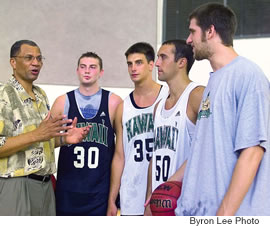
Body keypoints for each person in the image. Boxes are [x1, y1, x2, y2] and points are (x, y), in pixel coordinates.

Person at [178, 3, 270, 216]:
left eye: (193, 32)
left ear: (210, 31)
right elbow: (204, 150)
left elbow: (252, 151)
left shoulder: (248, 76)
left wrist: (222, 217)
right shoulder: (214, 81)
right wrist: (169, 184)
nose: (188, 40)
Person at [0, 40, 90, 216]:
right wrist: (37, 134)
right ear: (13, 62)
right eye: (29, 58)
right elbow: (35, 136)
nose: (36, 63)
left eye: (39, 58)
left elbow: (41, 140)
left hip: (45, 185)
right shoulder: (4, 94)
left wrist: (64, 139)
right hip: (16, 184)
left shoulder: (40, 95)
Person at [51, 52, 122, 216]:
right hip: (68, 192)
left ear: (101, 72)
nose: (87, 71)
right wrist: (63, 139)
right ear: (77, 71)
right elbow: (46, 143)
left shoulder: (114, 102)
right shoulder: (62, 102)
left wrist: (114, 197)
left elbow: (121, 152)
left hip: (99, 194)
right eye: (83, 67)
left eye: (92, 67)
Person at [107, 42, 168, 216]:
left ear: (151, 65)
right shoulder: (123, 107)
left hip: (163, 193)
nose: (133, 68)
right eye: (129, 63)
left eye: (139, 62)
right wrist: (112, 198)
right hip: (131, 196)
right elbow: (120, 156)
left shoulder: (168, 97)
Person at [144, 39, 204, 215]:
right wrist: (149, 196)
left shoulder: (197, 95)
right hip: (159, 201)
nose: (156, 63)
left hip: (185, 200)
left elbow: (206, 149)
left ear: (181, 62)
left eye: (163, 57)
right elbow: (155, 156)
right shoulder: (159, 106)